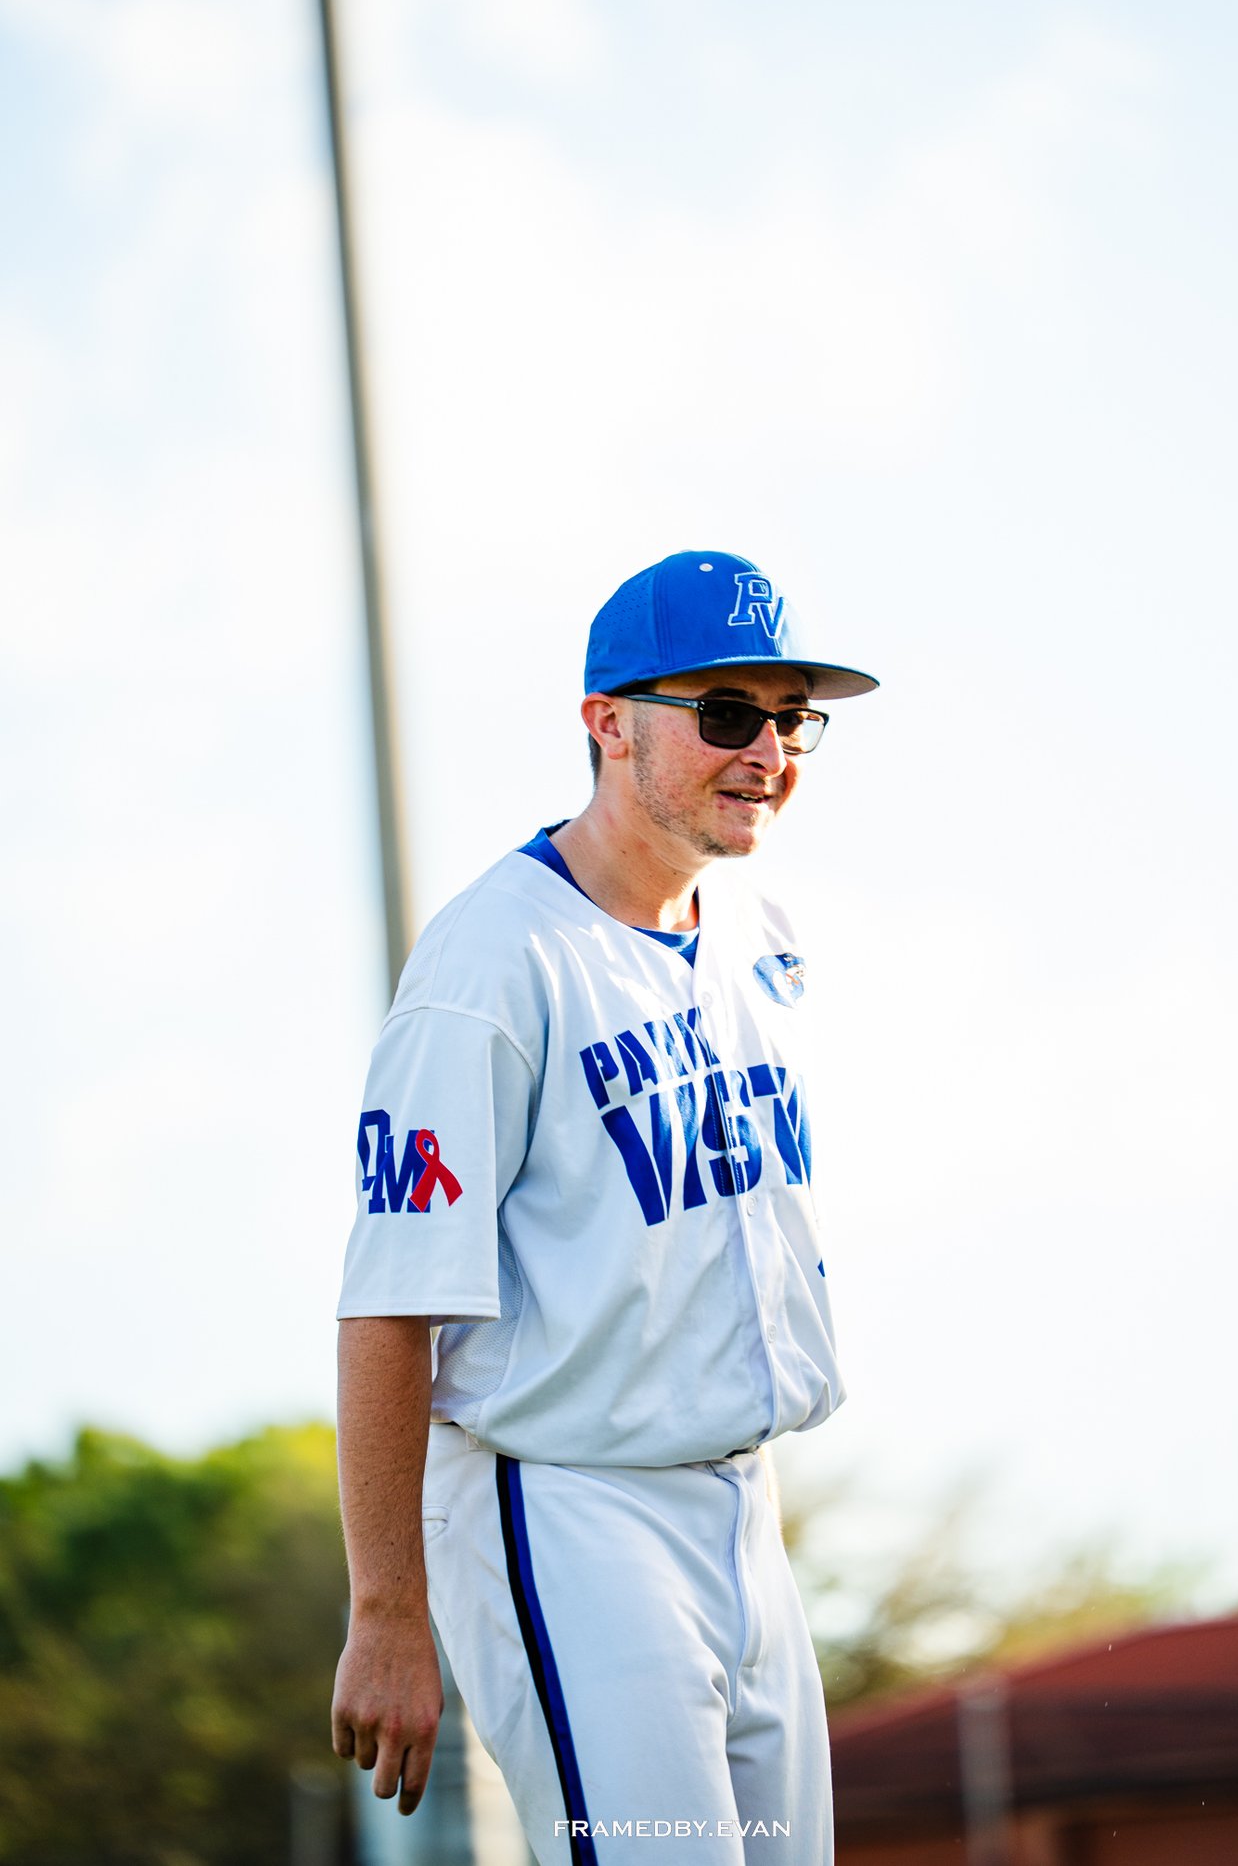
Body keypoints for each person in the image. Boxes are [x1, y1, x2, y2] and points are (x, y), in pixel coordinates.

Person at [331, 550, 878, 1864]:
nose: (767, 753)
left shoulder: (761, 930)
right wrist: (389, 1610)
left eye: (791, 719)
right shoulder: (491, 961)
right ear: (609, 722)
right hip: (569, 1505)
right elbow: (390, 1306)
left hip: (744, 1504)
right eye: (727, 714)